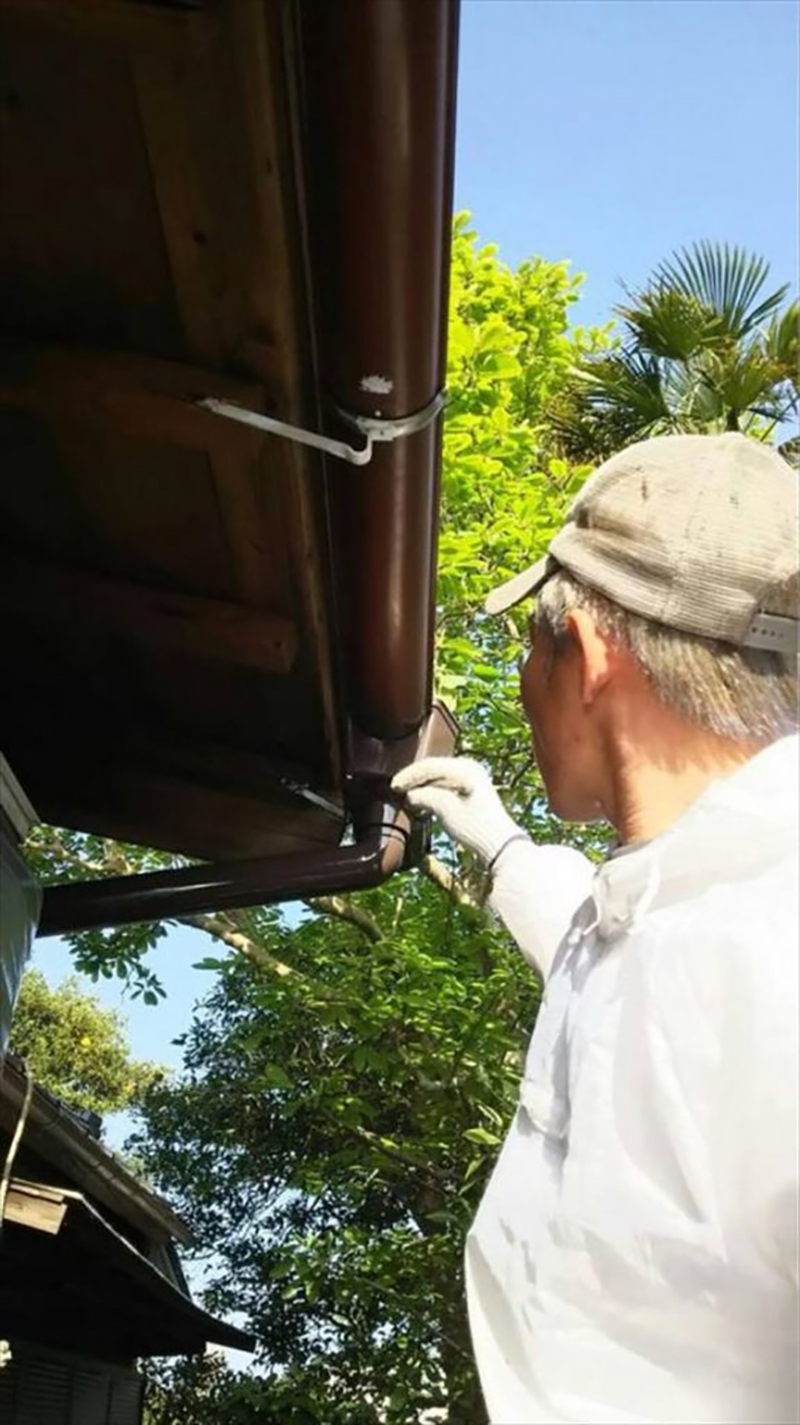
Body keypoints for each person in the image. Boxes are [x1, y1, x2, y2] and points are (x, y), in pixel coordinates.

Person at [393, 433, 799, 1425]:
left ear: (586, 651)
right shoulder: (686, 902)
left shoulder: (761, 935)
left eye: (529, 646)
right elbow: (609, 940)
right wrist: (496, 841)